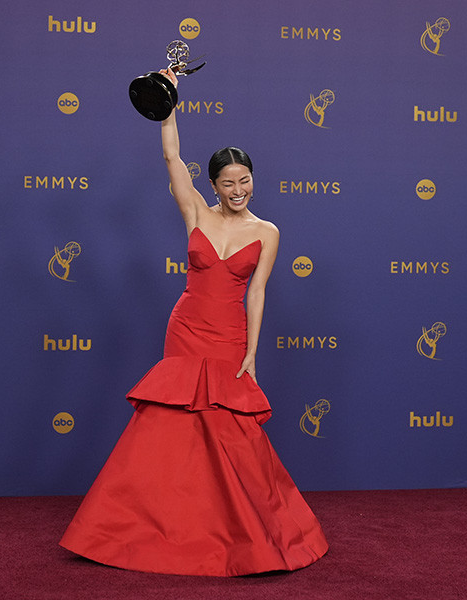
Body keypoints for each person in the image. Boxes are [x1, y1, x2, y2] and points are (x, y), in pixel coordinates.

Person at [59, 69, 328, 576]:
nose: (238, 189)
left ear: (254, 180)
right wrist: (169, 100)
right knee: (171, 428)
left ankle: (249, 531)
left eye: (245, 180)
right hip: (185, 329)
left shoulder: (267, 231)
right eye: (228, 183)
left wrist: (251, 349)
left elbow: (258, 290)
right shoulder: (196, 214)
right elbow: (170, 157)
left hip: (229, 335)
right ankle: (143, 526)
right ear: (213, 186)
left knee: (230, 431)